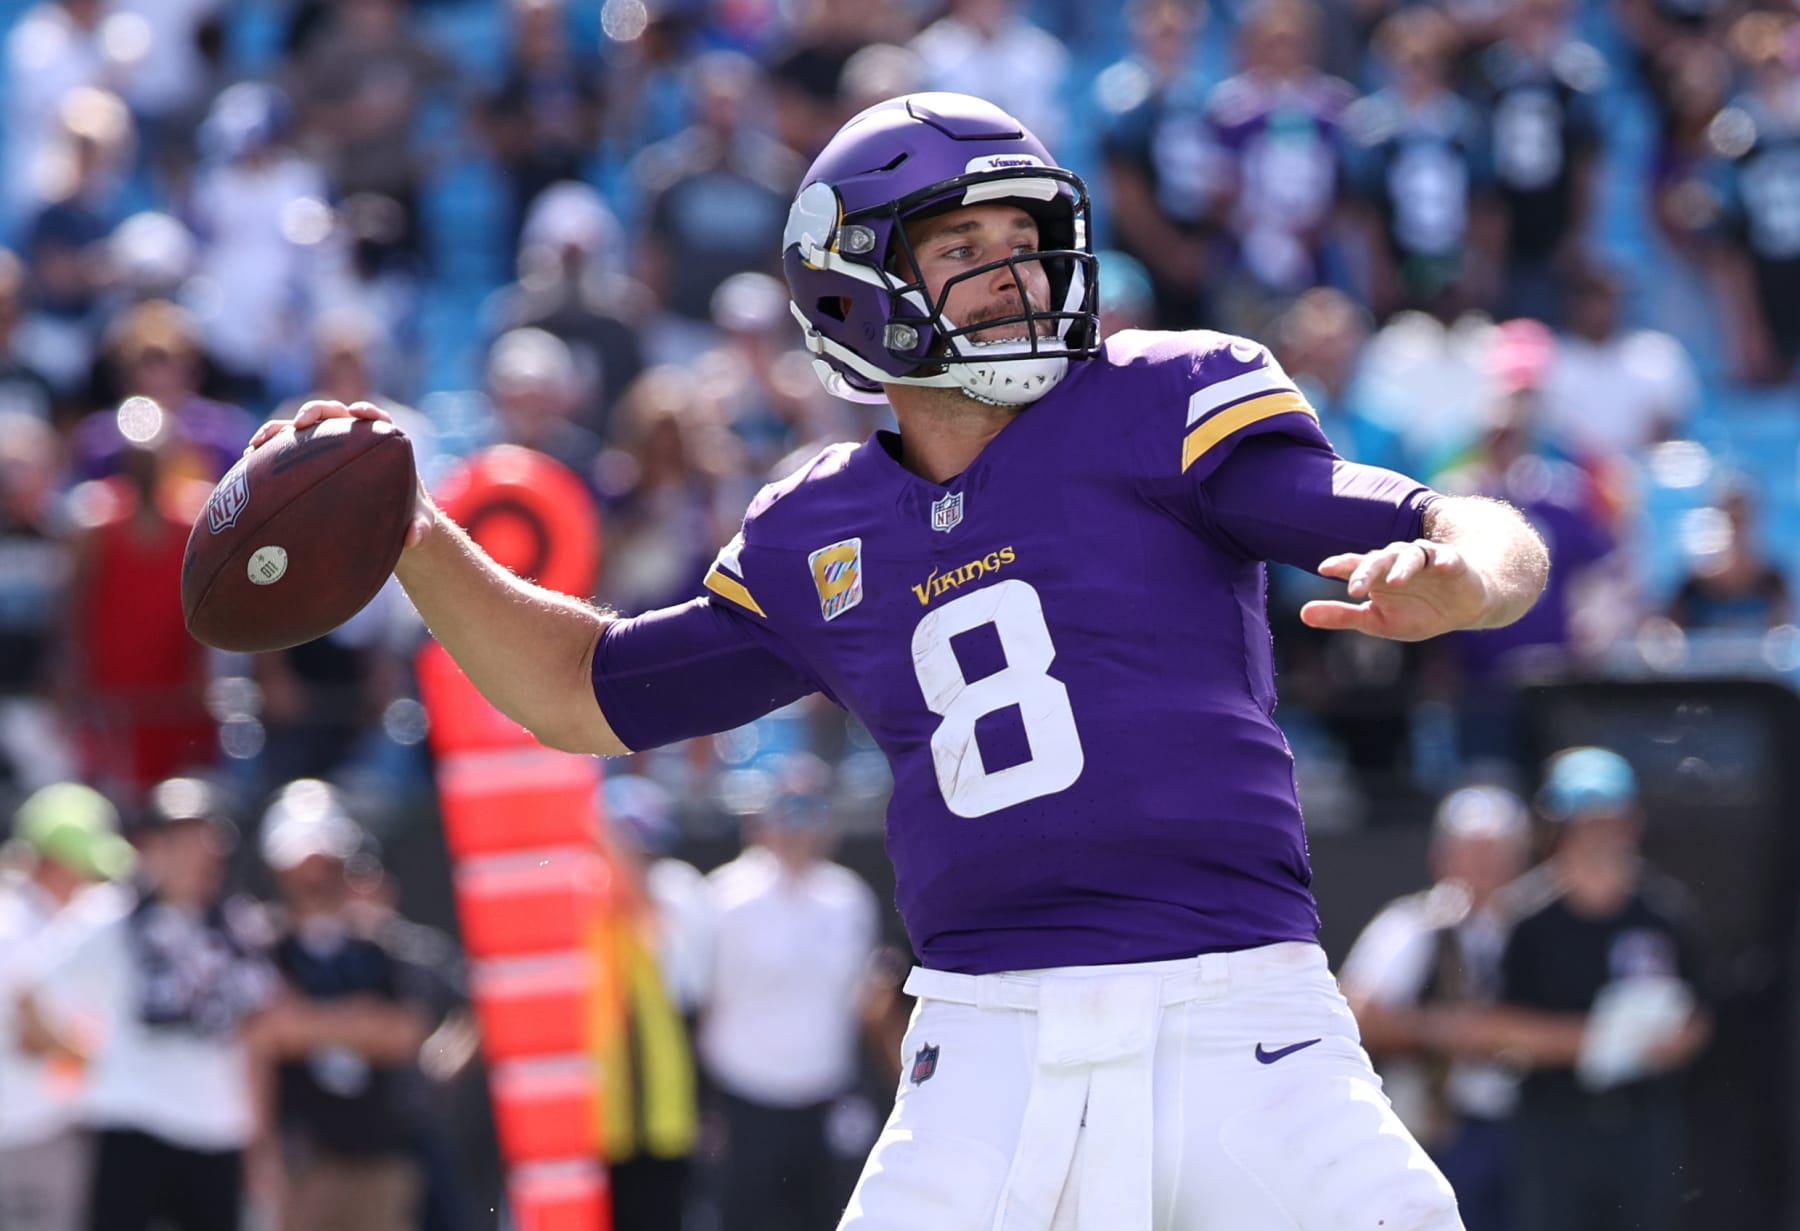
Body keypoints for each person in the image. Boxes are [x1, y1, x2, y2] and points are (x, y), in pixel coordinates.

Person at [257, 92, 1550, 1229]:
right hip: (978, 1043)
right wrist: (413, 534)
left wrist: (1466, 581)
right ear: (855, 288)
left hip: (1241, 1017)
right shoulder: (819, 522)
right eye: (964, 246)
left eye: (1025, 242)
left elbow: (1467, 526)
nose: (1016, 274)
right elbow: (583, 690)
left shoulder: (1162, 399)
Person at [1485, 747, 1710, 1231]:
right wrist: (1601, 1044)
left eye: (1610, 820)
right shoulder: (1527, 919)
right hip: (1553, 1121)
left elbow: (1697, 1012)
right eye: (1585, 822)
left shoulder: (1664, 913)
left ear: (1633, 822)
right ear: (1559, 828)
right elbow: (1495, 1026)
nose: (1600, 835)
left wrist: (1671, 1044)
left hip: (1645, 1121)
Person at [1338, 785, 1534, 1231]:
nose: (1485, 866)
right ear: (1441, 856)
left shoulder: (1539, 925)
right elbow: (1356, 1014)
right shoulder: (1413, 924)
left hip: (1534, 1123)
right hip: (1444, 1128)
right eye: (1472, 852)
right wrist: (1449, 1032)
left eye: (1497, 853)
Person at [700, 779, 879, 1231]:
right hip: (745, 1096)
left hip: (823, 1098)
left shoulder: (849, 899)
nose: (797, 834)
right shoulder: (725, 897)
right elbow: (699, 995)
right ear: (763, 826)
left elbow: (862, 1002)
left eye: (809, 819)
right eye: (787, 820)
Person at [0, 782, 133, 1231]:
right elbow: (30, 1032)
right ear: (53, 861)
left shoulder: (59, 922)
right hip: (22, 1137)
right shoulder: (11, 924)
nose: (89, 881)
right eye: (82, 866)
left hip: (47, 1129)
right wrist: (113, 1061)